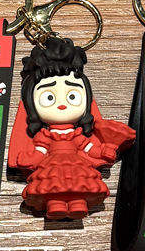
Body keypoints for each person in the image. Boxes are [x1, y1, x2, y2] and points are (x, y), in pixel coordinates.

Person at [8, 38, 134, 220]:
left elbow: (88, 148)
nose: (62, 104)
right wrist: (29, 159)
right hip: (52, 167)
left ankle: (78, 204)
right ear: (31, 103)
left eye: (72, 96)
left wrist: (103, 151)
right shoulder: (45, 135)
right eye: (49, 97)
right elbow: (40, 151)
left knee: (79, 187)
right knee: (52, 188)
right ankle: (55, 205)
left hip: (76, 166)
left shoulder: (77, 135)